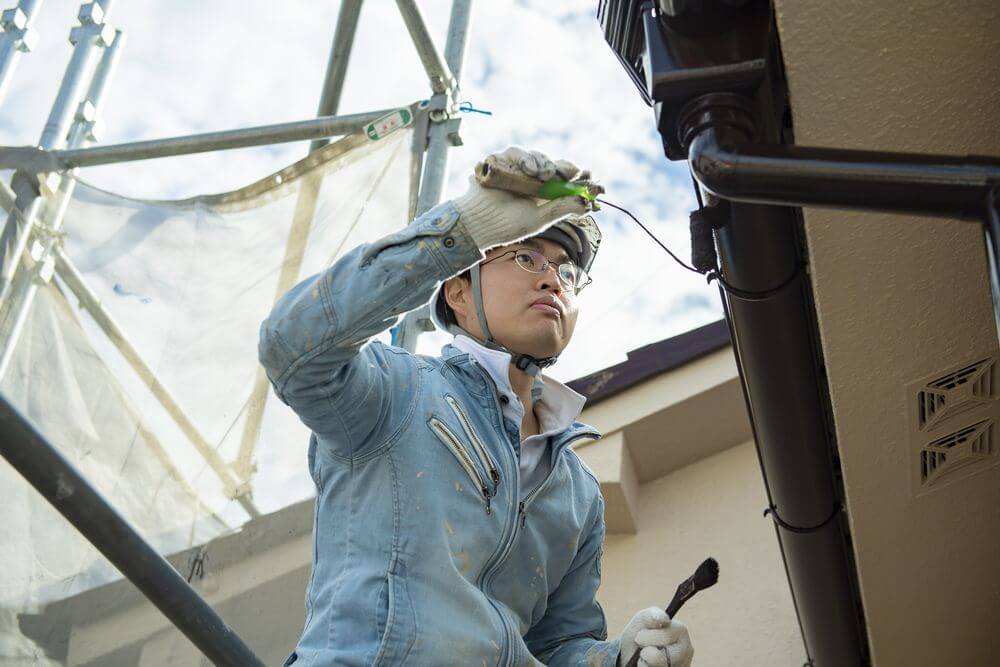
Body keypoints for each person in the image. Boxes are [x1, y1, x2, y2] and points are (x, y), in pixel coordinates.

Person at [260, 147, 694, 666]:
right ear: (458, 292)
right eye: (526, 257)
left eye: (568, 272)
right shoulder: (395, 389)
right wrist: (462, 230)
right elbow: (291, 346)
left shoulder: (579, 493)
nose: (553, 279)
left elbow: (556, 645)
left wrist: (614, 660)